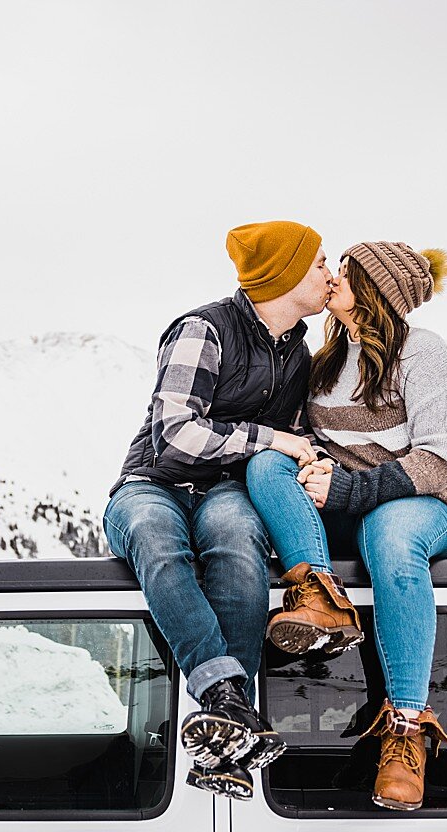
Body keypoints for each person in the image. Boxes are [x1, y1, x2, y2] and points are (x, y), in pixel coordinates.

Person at [100, 220, 336, 800]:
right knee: (158, 541)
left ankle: (225, 738)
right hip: (154, 482)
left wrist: (313, 462)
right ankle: (226, 700)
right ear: (283, 276)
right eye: (320, 264)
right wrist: (271, 440)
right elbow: (176, 436)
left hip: (225, 489)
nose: (330, 276)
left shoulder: (299, 353)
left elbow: (300, 436)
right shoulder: (203, 330)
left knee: (237, 543)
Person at [244, 240, 447, 811]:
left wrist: (349, 489)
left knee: (391, 536)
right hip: (345, 503)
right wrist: (313, 461)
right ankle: (319, 594)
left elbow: (437, 458)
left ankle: (405, 730)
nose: (331, 276)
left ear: (376, 289)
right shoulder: (324, 359)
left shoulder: (424, 353)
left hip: (422, 503)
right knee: (268, 460)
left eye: (344, 270)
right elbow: (309, 437)